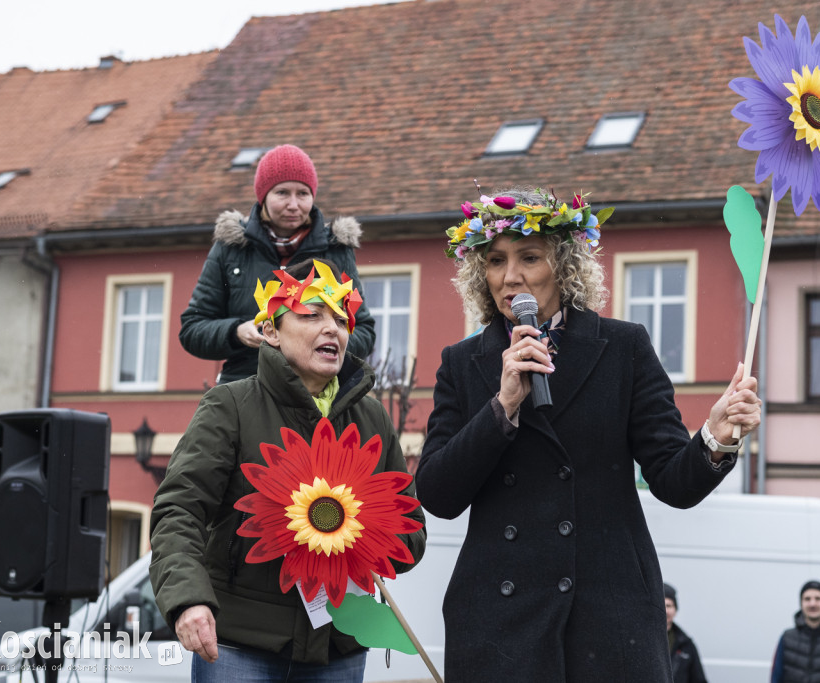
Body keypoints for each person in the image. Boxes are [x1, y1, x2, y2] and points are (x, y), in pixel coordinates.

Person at [414, 187, 762, 682]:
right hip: (500, 625)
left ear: (564, 266)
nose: (510, 276)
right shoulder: (461, 362)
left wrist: (716, 435)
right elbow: (438, 494)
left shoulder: (623, 347)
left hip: (607, 619)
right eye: (495, 261)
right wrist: (502, 406)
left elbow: (673, 481)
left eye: (529, 257)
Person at [150, 258, 425, 682]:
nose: (332, 329)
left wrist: (358, 528)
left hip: (339, 649)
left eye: (341, 319)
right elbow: (179, 510)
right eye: (311, 315)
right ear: (271, 332)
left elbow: (411, 532)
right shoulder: (230, 406)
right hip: (241, 645)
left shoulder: (373, 418)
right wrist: (188, 599)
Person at [179, 143, 375, 384]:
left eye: (302, 194)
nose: (293, 204)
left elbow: (364, 331)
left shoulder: (336, 250)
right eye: (282, 193)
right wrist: (236, 332)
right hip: (245, 386)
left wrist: (319, 344)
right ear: (263, 197)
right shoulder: (230, 249)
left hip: (318, 391)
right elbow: (192, 330)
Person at [664, 583, 709, 683]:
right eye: (662, 606)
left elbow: (699, 679)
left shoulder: (686, 645)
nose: (665, 611)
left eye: (669, 606)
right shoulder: (642, 641)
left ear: (675, 610)